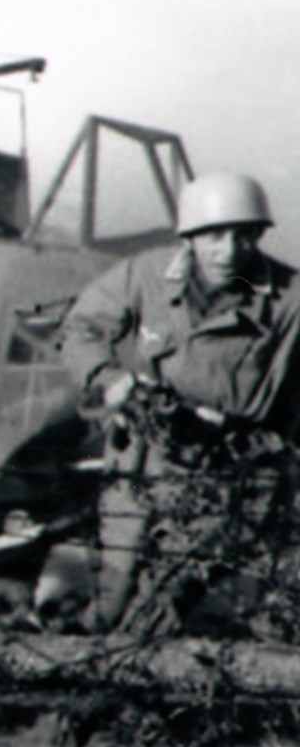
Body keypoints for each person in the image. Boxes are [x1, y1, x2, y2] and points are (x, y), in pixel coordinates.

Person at [35, 171, 300, 639]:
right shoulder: (146, 275)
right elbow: (81, 327)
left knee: (168, 603)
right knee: (110, 595)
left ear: (259, 235)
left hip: (225, 474)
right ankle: (72, 662)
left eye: (243, 235)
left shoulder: (288, 301)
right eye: (213, 235)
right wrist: (111, 380)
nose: (228, 250)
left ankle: (128, 686)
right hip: (143, 461)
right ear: (190, 237)